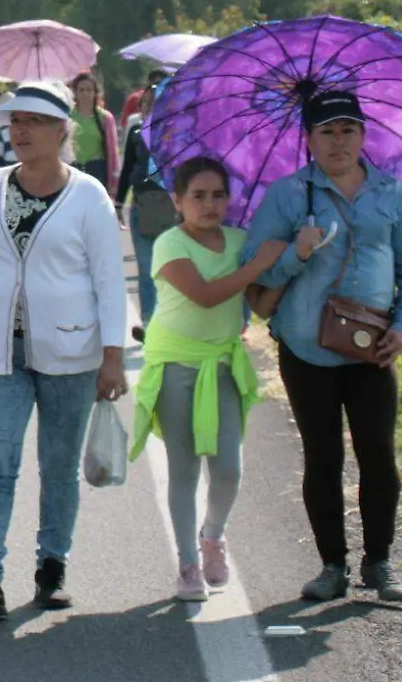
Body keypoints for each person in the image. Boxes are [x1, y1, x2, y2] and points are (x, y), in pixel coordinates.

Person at [0, 80, 129, 619]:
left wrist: (113, 356)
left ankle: (52, 566)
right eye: (15, 122)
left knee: (58, 466)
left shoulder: (88, 195)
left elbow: (110, 282)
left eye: (34, 122)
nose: (20, 131)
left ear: (62, 129)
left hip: (71, 353)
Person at [242, 90, 402, 605]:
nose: (338, 141)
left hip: (374, 348)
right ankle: (332, 566)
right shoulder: (289, 195)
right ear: (309, 139)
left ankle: (380, 563)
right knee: (321, 456)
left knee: (378, 454)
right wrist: (295, 256)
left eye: (348, 129)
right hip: (306, 346)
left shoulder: (391, 193)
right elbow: (254, 267)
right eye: (326, 131)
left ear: (364, 136)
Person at [129, 156, 286, 600]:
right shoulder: (168, 244)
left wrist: (294, 258)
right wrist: (262, 262)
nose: (209, 204)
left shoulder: (240, 242)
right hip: (175, 365)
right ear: (177, 201)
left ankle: (213, 536)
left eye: (218, 195)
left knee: (229, 470)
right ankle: (187, 565)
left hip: (221, 365)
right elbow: (204, 295)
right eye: (198, 196)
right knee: (184, 470)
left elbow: (260, 303)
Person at [115, 79, 172, 337]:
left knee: (167, 268)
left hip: (169, 208)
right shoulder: (136, 132)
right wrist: (119, 201)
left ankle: (169, 321)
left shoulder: (175, 134)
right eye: (145, 103)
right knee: (145, 268)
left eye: (155, 102)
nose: (149, 108)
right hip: (140, 205)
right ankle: (149, 322)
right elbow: (128, 168)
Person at [68, 72, 120, 196]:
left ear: (95, 93)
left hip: (97, 170)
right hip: (73, 170)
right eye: (81, 90)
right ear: (75, 93)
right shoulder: (67, 116)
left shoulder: (105, 118)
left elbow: (112, 152)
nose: (85, 93)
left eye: (89, 90)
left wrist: (113, 182)